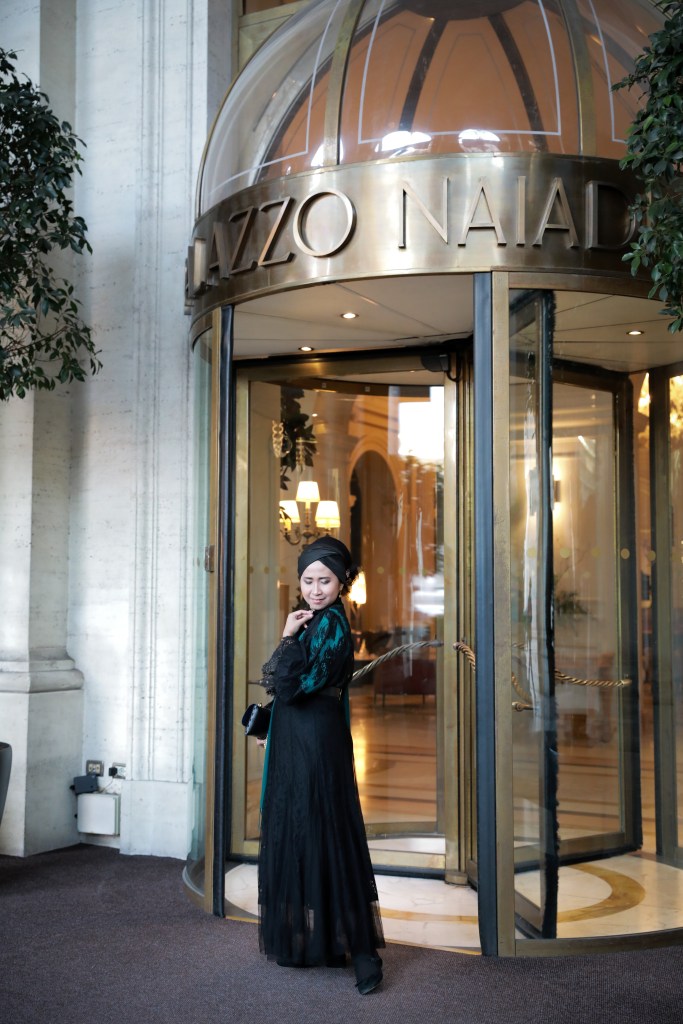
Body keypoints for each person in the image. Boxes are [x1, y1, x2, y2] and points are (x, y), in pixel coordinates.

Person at [255, 536, 385, 994]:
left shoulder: (330, 623)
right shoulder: (315, 622)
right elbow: (287, 687)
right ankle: (328, 944)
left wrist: (288, 638)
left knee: (326, 830)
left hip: (315, 738)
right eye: (308, 579)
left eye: (324, 580)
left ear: (341, 581)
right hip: (299, 735)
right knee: (307, 829)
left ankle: (364, 955)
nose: (314, 589)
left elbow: (294, 684)